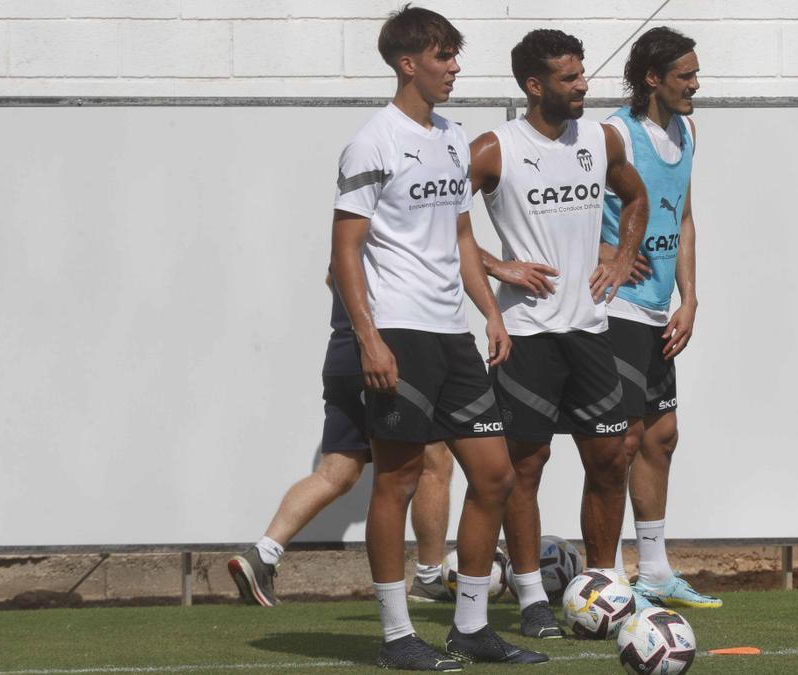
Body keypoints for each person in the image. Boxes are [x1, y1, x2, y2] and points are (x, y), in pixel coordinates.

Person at [330, 6, 545, 669]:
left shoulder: (454, 137)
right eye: (443, 56)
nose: (455, 67)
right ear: (408, 64)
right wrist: (369, 339)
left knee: (495, 474)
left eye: (455, 54)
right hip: (398, 328)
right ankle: (397, 634)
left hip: (453, 334)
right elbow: (344, 251)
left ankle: (472, 625)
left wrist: (492, 312)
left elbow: (460, 237)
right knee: (394, 482)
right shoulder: (373, 140)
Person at [470, 29, 650, 639]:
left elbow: (635, 197)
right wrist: (498, 267)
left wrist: (623, 259)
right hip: (526, 333)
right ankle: (529, 598)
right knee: (526, 464)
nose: (583, 86)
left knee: (610, 457)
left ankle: (606, 583)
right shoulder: (496, 148)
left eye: (581, 75)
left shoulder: (600, 138)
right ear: (534, 85)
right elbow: (440, 219)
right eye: (570, 78)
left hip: (590, 329)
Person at [226, 278, 454, 609]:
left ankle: (264, 553)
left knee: (337, 471)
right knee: (434, 461)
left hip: (343, 355)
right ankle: (431, 577)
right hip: (385, 354)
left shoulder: (350, 235)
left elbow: (335, 277)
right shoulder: (392, 232)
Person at [599, 27, 721, 610]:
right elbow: (566, 208)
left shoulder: (688, 130)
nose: (695, 84)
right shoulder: (614, 134)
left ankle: (654, 573)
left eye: (696, 74)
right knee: (619, 442)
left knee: (661, 437)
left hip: (657, 311)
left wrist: (689, 298)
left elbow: (687, 217)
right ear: (652, 78)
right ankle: (605, 580)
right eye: (685, 76)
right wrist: (606, 256)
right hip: (614, 307)